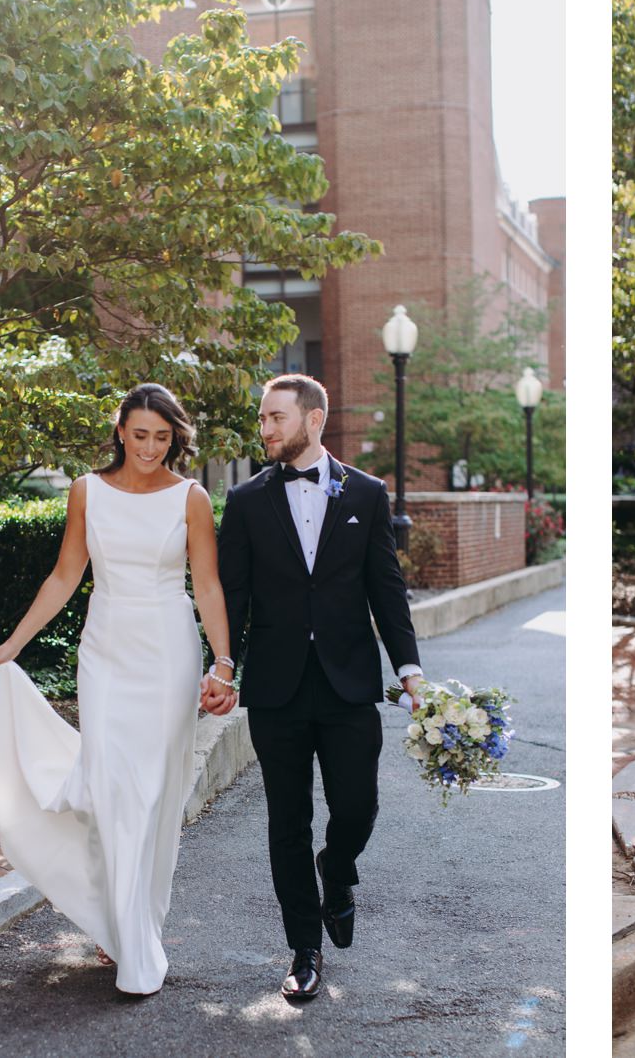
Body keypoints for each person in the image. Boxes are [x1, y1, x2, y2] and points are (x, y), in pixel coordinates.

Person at [0, 383, 233, 996]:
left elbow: (209, 586)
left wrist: (223, 662)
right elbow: (66, 575)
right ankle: (123, 926)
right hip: (107, 652)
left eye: (163, 438)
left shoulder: (191, 498)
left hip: (168, 650)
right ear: (120, 431)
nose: (150, 448)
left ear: (175, 439)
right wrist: (15, 644)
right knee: (115, 786)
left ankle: (137, 923)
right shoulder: (87, 491)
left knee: (153, 795)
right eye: (140, 435)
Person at [208, 374, 421, 1001]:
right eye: (264, 419)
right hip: (277, 687)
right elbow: (233, 595)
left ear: (315, 419)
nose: (266, 429)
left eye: (277, 417)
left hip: (349, 681)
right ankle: (304, 949)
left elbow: (387, 590)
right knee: (287, 821)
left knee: (358, 804)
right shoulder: (247, 501)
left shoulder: (369, 493)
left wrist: (408, 670)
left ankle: (341, 864)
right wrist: (224, 664)